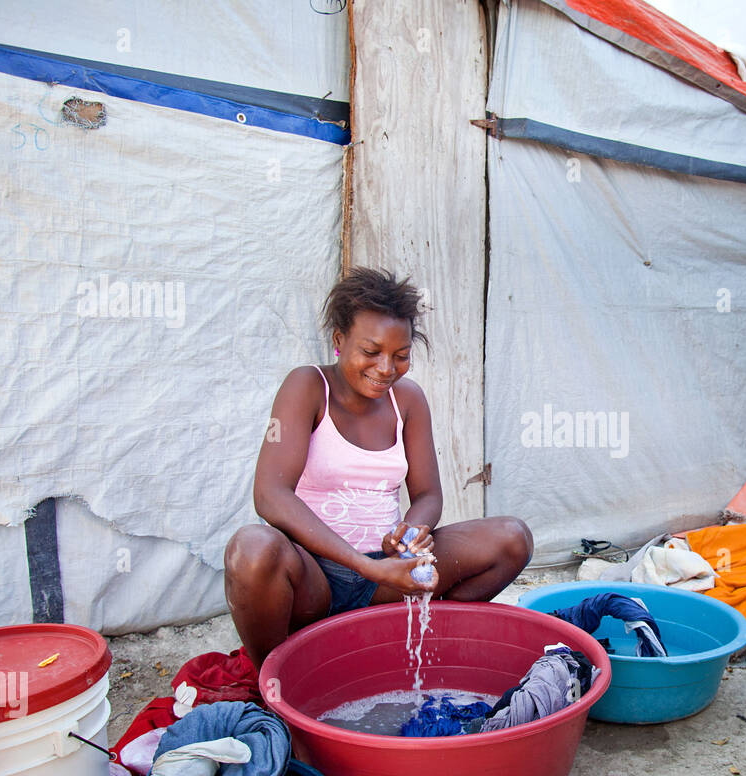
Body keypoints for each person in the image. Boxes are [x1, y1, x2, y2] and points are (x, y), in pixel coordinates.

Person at [224, 268, 534, 667]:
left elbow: (427, 494)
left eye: (401, 355)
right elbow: (270, 495)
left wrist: (409, 532)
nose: (386, 367)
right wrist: (368, 567)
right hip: (313, 578)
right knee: (252, 549)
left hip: (388, 575)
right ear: (339, 341)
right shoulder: (306, 387)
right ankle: (278, 682)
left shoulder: (407, 400)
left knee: (512, 538)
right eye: (371, 352)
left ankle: (419, 640)